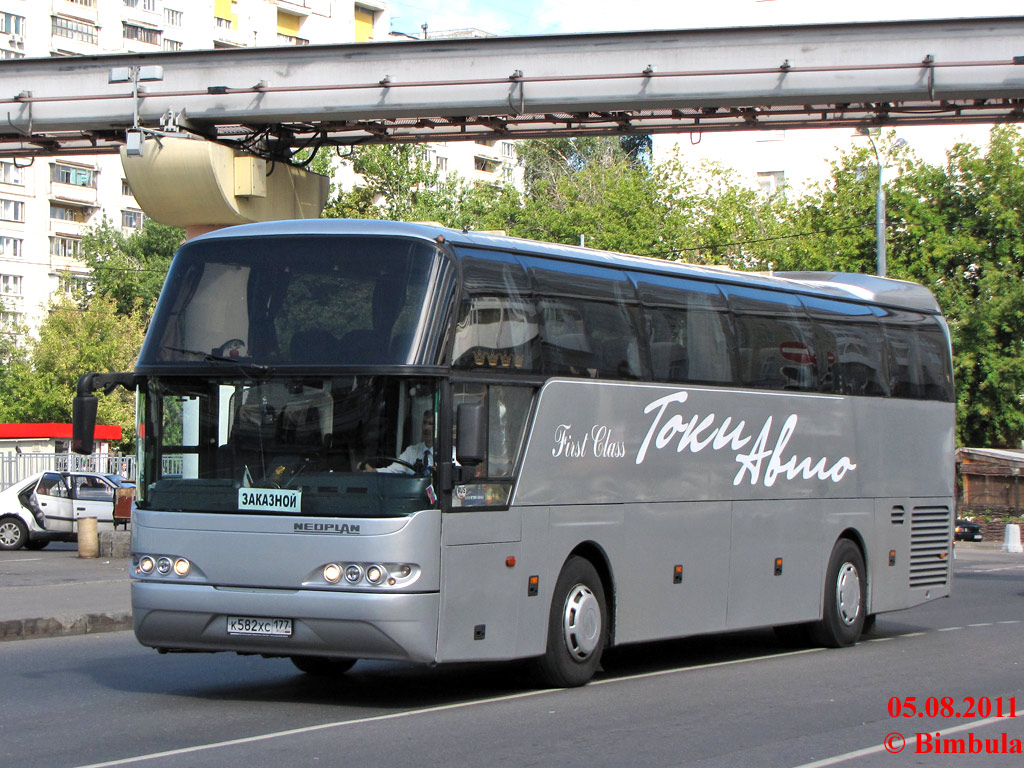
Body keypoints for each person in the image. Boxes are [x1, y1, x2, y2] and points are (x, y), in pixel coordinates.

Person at [361, 410, 435, 475]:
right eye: (424, 423)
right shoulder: (411, 451)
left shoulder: (444, 454)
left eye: (431, 424)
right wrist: (374, 471)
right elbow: (392, 470)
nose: (426, 427)